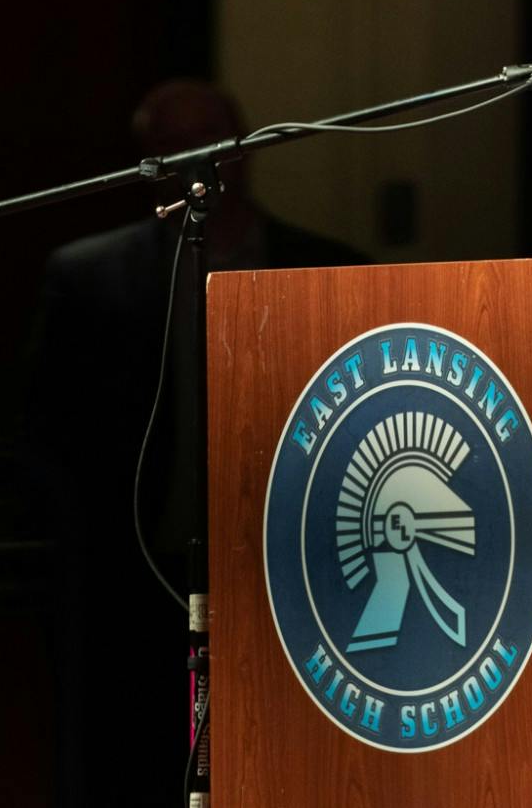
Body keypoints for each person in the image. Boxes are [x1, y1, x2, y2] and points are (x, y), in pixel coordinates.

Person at [25, 79, 366, 803]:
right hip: (134, 570)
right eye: (177, 145)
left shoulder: (326, 271)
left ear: (248, 149)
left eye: (215, 139)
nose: (201, 160)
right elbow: (52, 432)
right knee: (136, 758)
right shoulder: (89, 277)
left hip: (292, 577)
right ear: (148, 159)